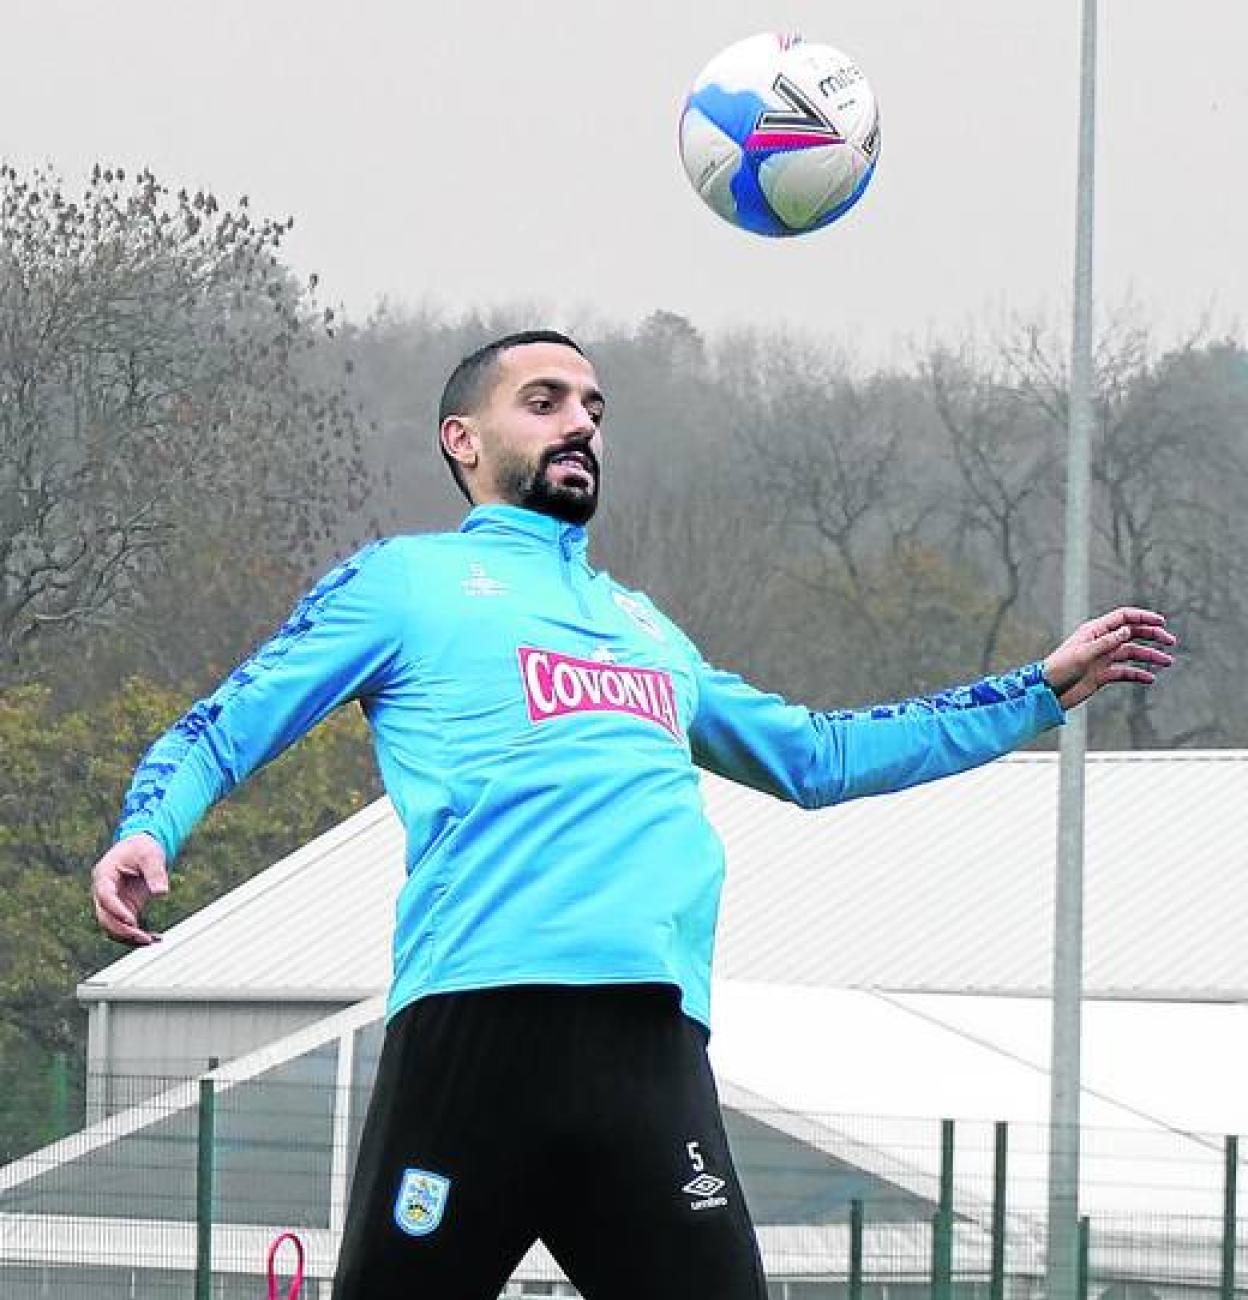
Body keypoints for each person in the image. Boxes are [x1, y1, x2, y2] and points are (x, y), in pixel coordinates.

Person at [90, 330, 1176, 1299]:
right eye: (547, 400)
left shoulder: (645, 628)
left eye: (595, 410)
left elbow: (819, 754)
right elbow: (233, 718)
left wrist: (1035, 690)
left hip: (648, 1052)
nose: (580, 425)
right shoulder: (406, 583)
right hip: (476, 1034)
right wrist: (153, 825)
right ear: (462, 440)